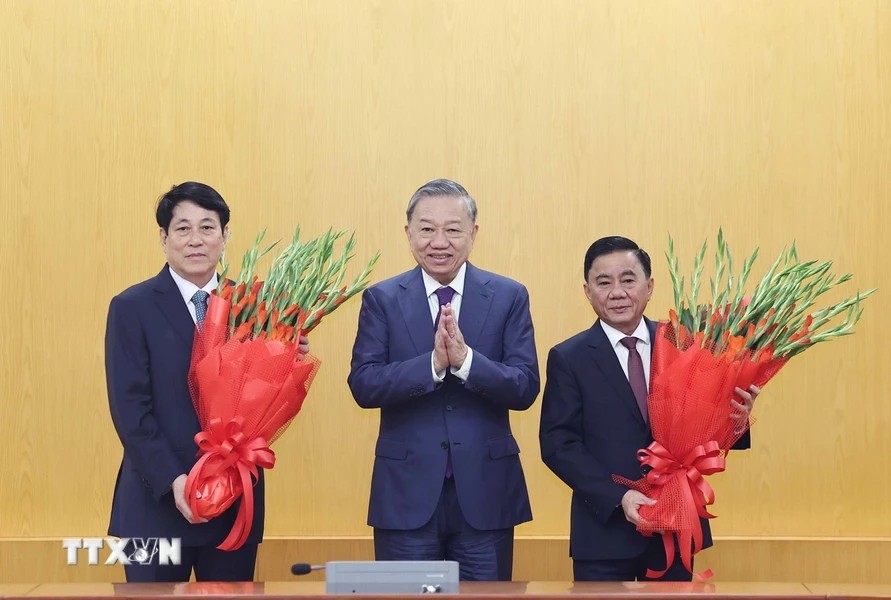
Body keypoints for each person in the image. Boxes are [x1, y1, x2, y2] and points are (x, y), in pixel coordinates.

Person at [105, 181, 308, 582]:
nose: (195, 240)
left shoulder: (257, 307)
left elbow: (265, 400)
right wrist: (176, 482)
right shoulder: (132, 307)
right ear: (164, 239)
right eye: (182, 229)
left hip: (233, 506)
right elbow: (131, 411)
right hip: (155, 504)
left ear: (225, 235)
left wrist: (286, 355)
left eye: (207, 227)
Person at [347, 178, 539, 581]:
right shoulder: (382, 298)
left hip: (486, 496)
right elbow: (364, 384)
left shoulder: (508, 296)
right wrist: (432, 365)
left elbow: (524, 387)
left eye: (453, 229)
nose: (439, 241)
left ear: (473, 234)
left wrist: (466, 361)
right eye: (427, 228)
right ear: (408, 233)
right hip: (406, 497)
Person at [538, 236, 758, 582]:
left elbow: (707, 433)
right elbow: (557, 445)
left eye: (628, 279)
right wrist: (618, 497)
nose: (617, 292)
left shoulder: (685, 344)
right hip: (603, 533)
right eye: (603, 282)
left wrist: (736, 421)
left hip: (675, 526)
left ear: (650, 286)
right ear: (587, 291)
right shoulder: (569, 357)